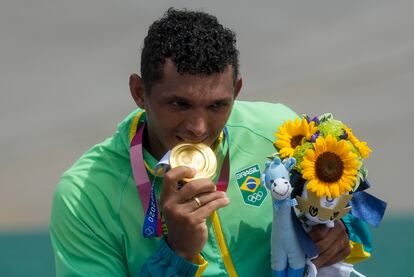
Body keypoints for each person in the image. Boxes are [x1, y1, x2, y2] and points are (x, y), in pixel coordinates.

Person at [50, 8, 372, 276]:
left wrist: (340, 232)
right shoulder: (84, 197)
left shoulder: (278, 132)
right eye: (179, 104)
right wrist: (178, 253)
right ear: (139, 93)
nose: (199, 128)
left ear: (238, 90)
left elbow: (351, 216)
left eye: (218, 105)